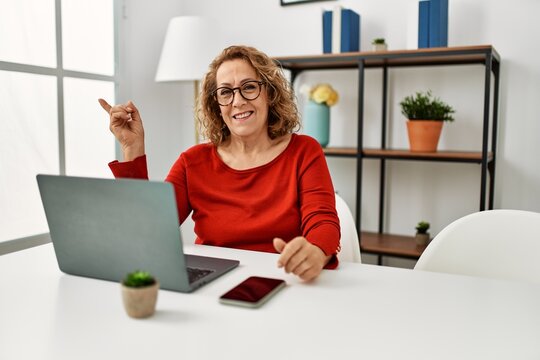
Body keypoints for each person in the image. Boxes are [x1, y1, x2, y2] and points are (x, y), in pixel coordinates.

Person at [98, 45, 340, 281]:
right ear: (217, 105)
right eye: (226, 92)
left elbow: (323, 222)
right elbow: (146, 230)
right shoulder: (192, 162)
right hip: (211, 283)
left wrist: (316, 251)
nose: (238, 101)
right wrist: (132, 148)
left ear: (270, 94)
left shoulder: (304, 151)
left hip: (282, 280)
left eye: (249, 87)